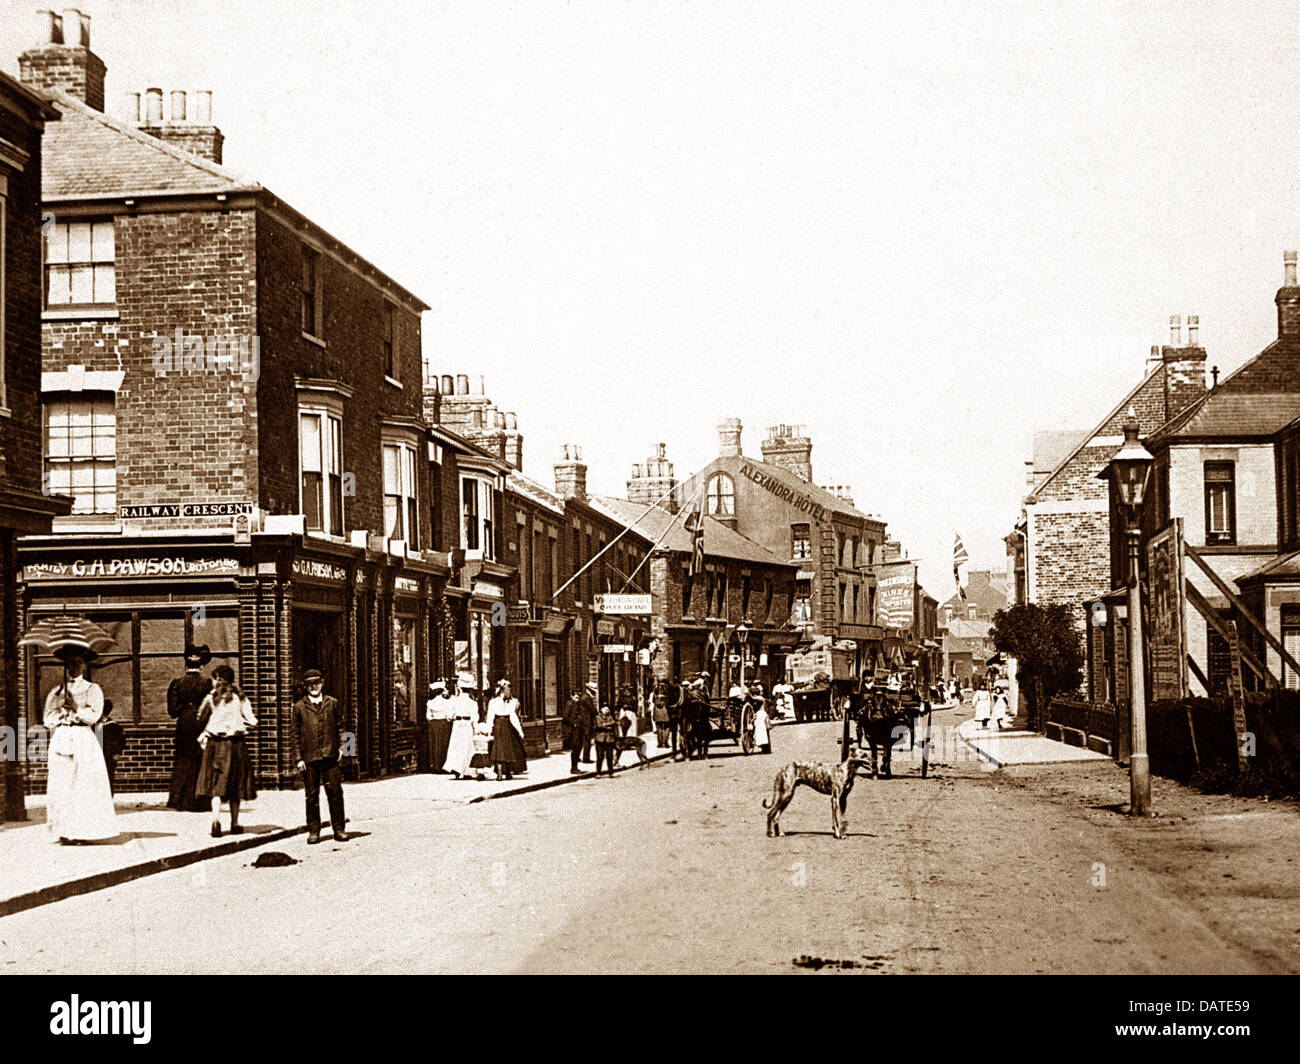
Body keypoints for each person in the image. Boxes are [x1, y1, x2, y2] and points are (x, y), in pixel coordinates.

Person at [43, 650, 118, 843]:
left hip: (83, 738)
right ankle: (64, 830)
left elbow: (94, 716)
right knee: (62, 784)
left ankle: (83, 832)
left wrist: (76, 708)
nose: (74, 667)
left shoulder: (92, 689)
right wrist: (61, 711)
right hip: (62, 736)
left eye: (78, 662)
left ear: (85, 665)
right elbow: (47, 718)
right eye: (70, 663)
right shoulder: (57, 691)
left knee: (82, 785)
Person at [195, 665, 257, 837]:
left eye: (215, 678)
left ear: (219, 679)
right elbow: (252, 720)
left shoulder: (211, 698)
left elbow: (200, 716)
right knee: (235, 785)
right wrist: (241, 725)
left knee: (216, 784)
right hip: (235, 745)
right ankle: (235, 823)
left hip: (215, 745)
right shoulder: (240, 698)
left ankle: (215, 821)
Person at [290, 668, 349, 844]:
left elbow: (343, 728)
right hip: (310, 757)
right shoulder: (299, 707)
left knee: (335, 793)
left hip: (331, 755)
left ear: (322, 683)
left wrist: (344, 751)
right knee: (311, 795)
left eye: (317, 682)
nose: (314, 686)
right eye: (310, 684)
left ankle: (339, 829)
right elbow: (294, 735)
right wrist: (298, 758)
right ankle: (314, 830)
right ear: (305, 686)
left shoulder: (333, 703)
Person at [166, 645, 213, 811]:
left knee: (183, 759)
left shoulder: (177, 683)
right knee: (201, 759)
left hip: (184, 723)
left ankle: (179, 800)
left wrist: (185, 709)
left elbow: (173, 710)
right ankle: (200, 801)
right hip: (202, 723)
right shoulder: (207, 683)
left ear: (186, 665)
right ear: (200, 666)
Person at [487, 679, 527, 780]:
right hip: (499, 725)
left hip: (505, 725)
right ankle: (500, 774)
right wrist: (488, 730)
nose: (508, 693)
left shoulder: (509, 703)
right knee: (500, 749)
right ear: (502, 691)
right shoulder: (493, 702)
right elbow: (490, 716)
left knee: (507, 749)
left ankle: (507, 773)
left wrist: (519, 730)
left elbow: (513, 717)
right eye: (507, 690)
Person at [444, 673, 479, 779]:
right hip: (467, 725)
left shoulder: (454, 701)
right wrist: (476, 729)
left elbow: (449, 715)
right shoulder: (473, 703)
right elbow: (475, 718)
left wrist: (451, 717)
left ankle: (456, 769)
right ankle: (467, 770)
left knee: (456, 747)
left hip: (457, 725)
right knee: (467, 747)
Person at [568, 682, 597, 774]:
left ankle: (576, 765)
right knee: (579, 745)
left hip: (582, 725)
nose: (578, 698)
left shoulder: (580, 702)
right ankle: (576, 765)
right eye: (576, 696)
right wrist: (575, 723)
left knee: (580, 745)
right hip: (580, 726)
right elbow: (566, 717)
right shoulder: (582, 700)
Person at [426, 679, 455, 772]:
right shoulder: (447, 702)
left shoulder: (430, 703)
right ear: (442, 691)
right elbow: (449, 715)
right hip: (444, 724)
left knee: (434, 744)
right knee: (444, 744)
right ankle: (444, 766)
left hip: (434, 725)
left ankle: (435, 765)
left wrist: (433, 721)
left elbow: (428, 717)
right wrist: (448, 719)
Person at [98, 699, 126, 796]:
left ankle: (108, 796)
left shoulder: (113, 726)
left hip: (108, 756)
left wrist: (117, 752)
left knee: (108, 776)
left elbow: (120, 741)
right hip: (96, 755)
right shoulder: (93, 725)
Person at [593, 700, 617, 777]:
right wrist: (607, 726)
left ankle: (611, 772)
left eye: (607, 709)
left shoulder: (610, 717)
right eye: (604, 709)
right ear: (601, 710)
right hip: (600, 740)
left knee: (609, 757)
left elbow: (613, 723)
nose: (606, 711)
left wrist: (604, 725)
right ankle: (598, 773)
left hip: (609, 740)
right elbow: (598, 726)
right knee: (600, 757)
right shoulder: (597, 717)